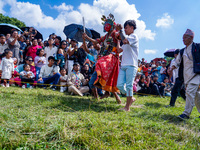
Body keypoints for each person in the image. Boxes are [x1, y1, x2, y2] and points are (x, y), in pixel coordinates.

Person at [83, 14, 121, 104]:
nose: (105, 26)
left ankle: (111, 94)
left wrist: (119, 30)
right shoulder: (105, 36)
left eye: (107, 24)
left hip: (111, 59)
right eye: (105, 24)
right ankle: (108, 94)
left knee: (104, 74)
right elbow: (96, 41)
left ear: (112, 25)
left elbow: (120, 36)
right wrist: (87, 38)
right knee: (102, 78)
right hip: (103, 61)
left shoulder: (114, 33)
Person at [170, 29, 200, 120]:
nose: (183, 40)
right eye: (182, 39)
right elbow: (177, 61)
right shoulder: (182, 51)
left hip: (197, 74)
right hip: (187, 76)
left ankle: (186, 114)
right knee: (196, 95)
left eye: (185, 38)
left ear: (191, 38)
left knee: (190, 92)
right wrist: (173, 67)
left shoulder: (198, 47)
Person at [116, 20, 139, 111]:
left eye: (126, 28)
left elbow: (125, 41)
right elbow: (119, 50)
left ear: (132, 28)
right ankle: (131, 98)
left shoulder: (133, 36)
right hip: (123, 65)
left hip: (131, 65)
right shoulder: (127, 39)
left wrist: (120, 31)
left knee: (129, 85)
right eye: (124, 28)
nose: (125, 29)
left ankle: (127, 107)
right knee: (120, 85)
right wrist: (117, 40)